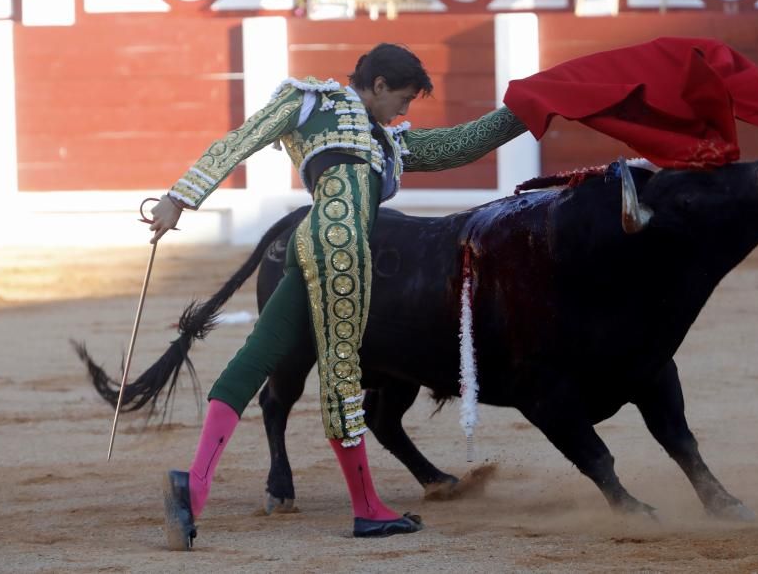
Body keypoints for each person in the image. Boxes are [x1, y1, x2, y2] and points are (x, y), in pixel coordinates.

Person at [150, 43, 529, 549]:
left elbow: (462, 143)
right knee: (342, 374)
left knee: (255, 357)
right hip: (345, 250)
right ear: (375, 85)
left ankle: (192, 487)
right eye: (401, 98)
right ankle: (368, 509)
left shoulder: (368, 134)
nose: (404, 112)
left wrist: (527, 111)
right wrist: (179, 198)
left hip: (307, 245)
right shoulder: (312, 99)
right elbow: (242, 140)